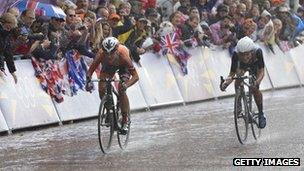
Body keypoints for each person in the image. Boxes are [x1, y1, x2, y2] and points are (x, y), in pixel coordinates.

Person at [85, 37, 139, 134]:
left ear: (116, 50)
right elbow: (90, 70)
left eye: (112, 53)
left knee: (121, 89)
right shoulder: (101, 54)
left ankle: (125, 120)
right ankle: (109, 111)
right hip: (109, 67)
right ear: (103, 51)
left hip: (124, 67)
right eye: (107, 53)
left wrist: (126, 85)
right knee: (101, 88)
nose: (109, 56)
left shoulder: (123, 55)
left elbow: (135, 77)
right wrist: (88, 80)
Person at [220, 36, 266, 129]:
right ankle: (239, 101)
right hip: (242, 66)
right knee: (238, 77)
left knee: (255, 89)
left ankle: (261, 114)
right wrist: (225, 84)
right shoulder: (236, 54)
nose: (244, 57)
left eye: (247, 54)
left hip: (255, 66)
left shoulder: (258, 52)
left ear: (251, 52)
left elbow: (261, 72)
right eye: (242, 54)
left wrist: (256, 82)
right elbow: (232, 74)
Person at [0, 12, 18, 83]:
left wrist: (12, 71)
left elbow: (8, 53)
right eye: (7, 27)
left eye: (10, 28)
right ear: (2, 22)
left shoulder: (6, 34)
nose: (9, 30)